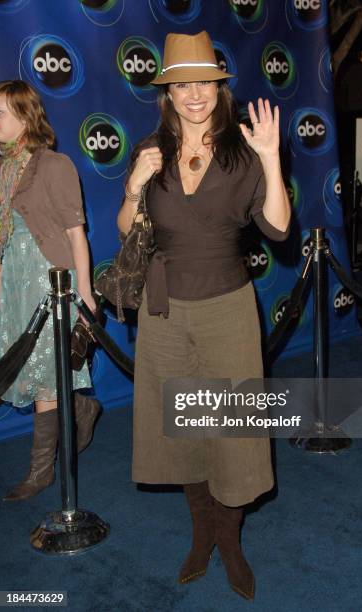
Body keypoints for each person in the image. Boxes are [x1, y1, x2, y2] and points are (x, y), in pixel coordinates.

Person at [117, 32, 290, 600]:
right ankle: (202, 535)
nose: (195, 95)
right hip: (164, 312)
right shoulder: (150, 146)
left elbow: (279, 229)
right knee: (185, 430)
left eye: (205, 83)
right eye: (183, 84)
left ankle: (231, 541)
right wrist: (135, 185)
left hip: (228, 307)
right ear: (168, 92)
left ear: (220, 87)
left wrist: (269, 156)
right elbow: (127, 230)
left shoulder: (244, 149)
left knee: (235, 433)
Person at [0, 80, 99, 501]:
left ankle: (41, 471)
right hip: (14, 285)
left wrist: (86, 295)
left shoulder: (55, 165)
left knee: (44, 378)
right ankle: (81, 408)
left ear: (24, 116)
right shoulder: (2, 170)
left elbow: (77, 234)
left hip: (51, 282)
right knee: (30, 373)